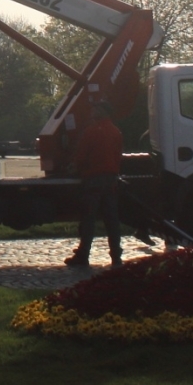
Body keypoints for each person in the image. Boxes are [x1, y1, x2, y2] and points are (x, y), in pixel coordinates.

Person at [65, 100, 124, 268]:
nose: (92, 111)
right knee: (112, 220)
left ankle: (83, 255)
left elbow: (82, 155)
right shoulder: (116, 131)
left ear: (102, 112)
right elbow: (118, 155)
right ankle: (116, 255)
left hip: (93, 180)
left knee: (88, 219)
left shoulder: (91, 132)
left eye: (95, 108)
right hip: (111, 179)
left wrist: (74, 167)